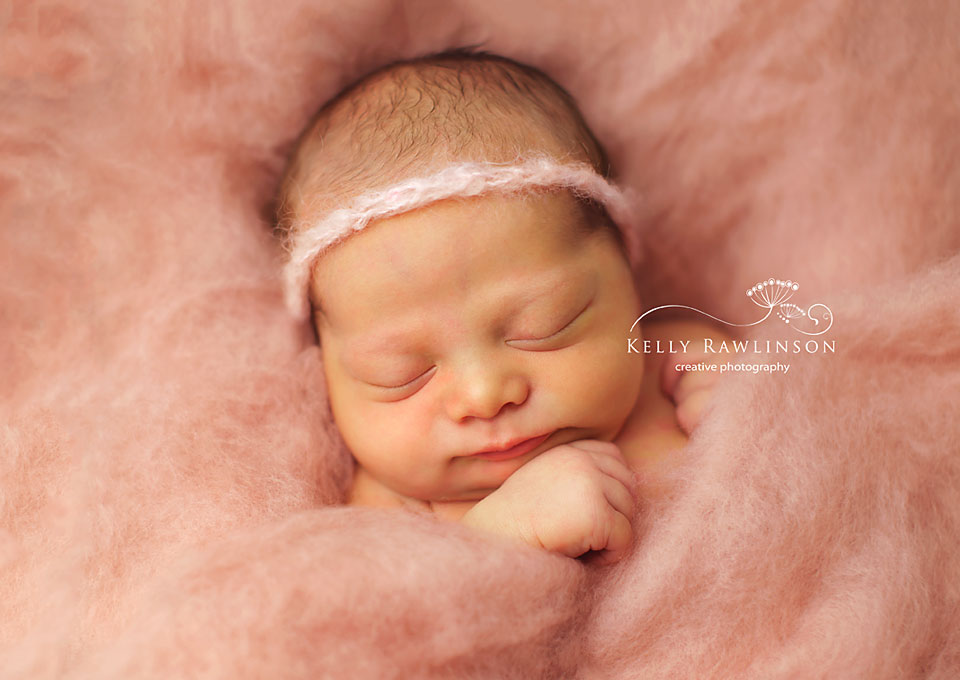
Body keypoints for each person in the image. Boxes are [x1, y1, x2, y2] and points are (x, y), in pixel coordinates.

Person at [274, 49, 728, 565]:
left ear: (628, 279)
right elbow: (382, 620)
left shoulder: (669, 359)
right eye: (403, 373)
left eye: (544, 326)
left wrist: (740, 398)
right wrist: (497, 537)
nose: (485, 395)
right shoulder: (388, 509)